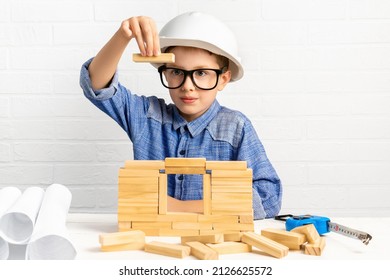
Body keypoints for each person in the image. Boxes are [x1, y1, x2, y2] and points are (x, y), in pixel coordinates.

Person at [79, 11, 282, 219]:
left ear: (223, 79)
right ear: (165, 72)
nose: (187, 87)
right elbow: (96, 87)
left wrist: (180, 207)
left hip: (212, 244)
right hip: (154, 242)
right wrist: (123, 36)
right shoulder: (147, 117)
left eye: (201, 73)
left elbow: (269, 196)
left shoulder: (235, 127)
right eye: (177, 72)